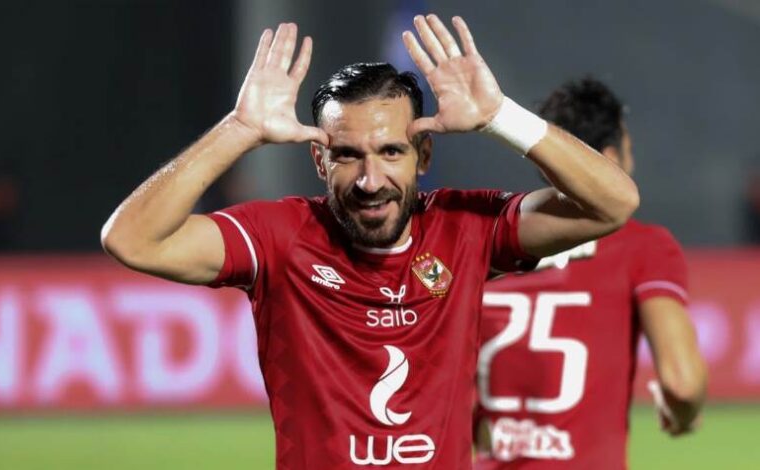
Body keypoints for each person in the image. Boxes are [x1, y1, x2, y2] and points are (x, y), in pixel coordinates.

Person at [101, 15, 638, 469]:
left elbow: (612, 204)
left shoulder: (465, 228)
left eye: (390, 151)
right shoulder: (280, 238)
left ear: (423, 156)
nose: (370, 180)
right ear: (319, 161)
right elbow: (132, 240)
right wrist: (238, 130)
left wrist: (502, 119)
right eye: (347, 155)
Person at [473, 78, 707, 469]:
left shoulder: (489, 244)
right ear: (611, 157)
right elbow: (682, 384)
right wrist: (684, 415)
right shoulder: (642, 247)